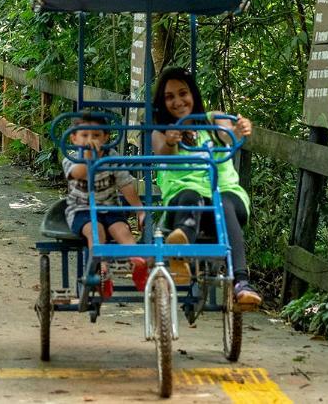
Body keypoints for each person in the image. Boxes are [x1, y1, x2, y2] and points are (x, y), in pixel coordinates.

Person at [151, 65, 261, 308]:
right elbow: (162, 151)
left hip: (226, 202)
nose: (178, 101)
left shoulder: (212, 120)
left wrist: (239, 130)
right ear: (162, 102)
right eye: (170, 97)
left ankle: (241, 282)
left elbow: (228, 132)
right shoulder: (162, 132)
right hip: (185, 205)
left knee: (221, 201)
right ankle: (180, 252)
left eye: (183, 93)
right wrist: (171, 140)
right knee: (190, 194)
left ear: (193, 95)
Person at [63, 112, 148, 294]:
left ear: (106, 138)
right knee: (96, 231)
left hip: (110, 208)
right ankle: (102, 269)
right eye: (85, 135)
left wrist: (140, 210)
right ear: (74, 138)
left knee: (122, 230)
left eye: (96, 136)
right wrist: (89, 157)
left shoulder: (112, 158)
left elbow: (126, 185)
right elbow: (76, 174)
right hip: (81, 210)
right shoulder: (71, 157)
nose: (90, 140)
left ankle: (136, 261)